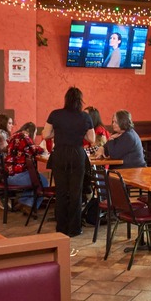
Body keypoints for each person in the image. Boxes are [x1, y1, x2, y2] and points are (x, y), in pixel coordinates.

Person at [41, 87, 94, 239]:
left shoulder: (55, 114)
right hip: (77, 154)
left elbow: (45, 134)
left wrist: (58, 133)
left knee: (61, 191)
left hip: (60, 154)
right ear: (80, 101)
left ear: (66, 99)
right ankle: (75, 228)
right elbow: (92, 139)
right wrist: (80, 133)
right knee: (76, 192)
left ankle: (61, 227)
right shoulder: (85, 117)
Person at [5, 122, 47, 217]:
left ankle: (23, 202)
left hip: (8, 175)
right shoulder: (24, 137)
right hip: (17, 177)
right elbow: (33, 150)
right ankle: (29, 206)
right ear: (31, 131)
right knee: (43, 182)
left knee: (35, 179)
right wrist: (43, 149)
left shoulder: (14, 136)